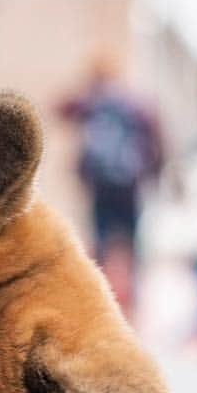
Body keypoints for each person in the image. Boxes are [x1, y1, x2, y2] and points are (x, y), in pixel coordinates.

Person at [58, 53, 164, 313]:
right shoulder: (135, 103)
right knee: (133, 246)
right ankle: (135, 305)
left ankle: (98, 304)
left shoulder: (92, 102)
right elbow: (158, 139)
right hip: (130, 186)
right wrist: (153, 173)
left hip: (101, 186)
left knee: (101, 244)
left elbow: (61, 109)